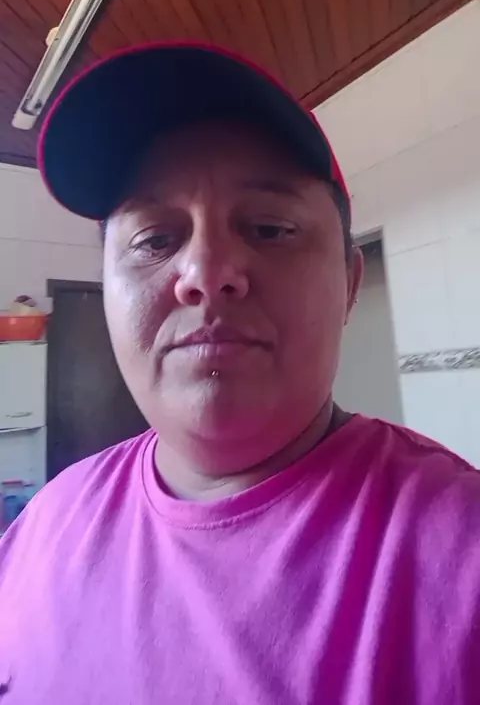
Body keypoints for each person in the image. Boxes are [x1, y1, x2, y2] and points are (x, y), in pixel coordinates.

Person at [0, 44, 479, 705]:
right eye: (155, 240)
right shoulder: (42, 531)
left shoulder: (461, 554)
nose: (203, 274)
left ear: (348, 284)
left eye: (270, 228)